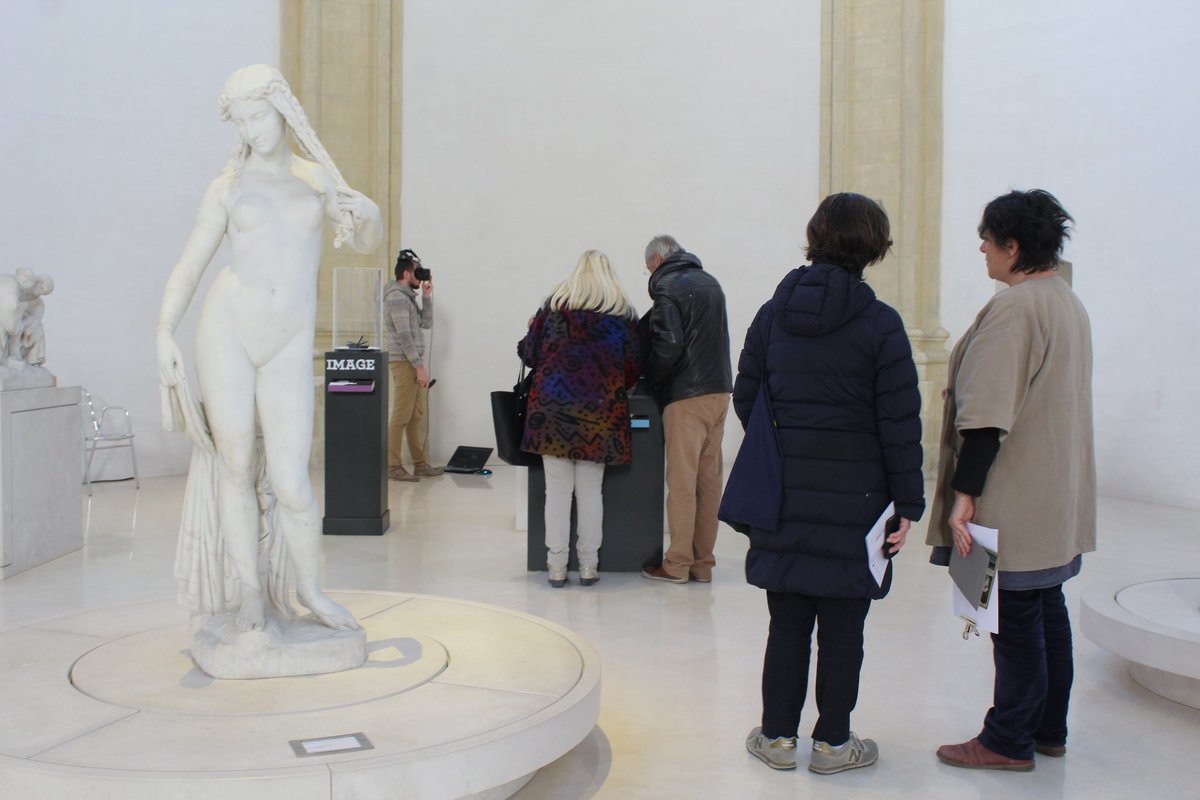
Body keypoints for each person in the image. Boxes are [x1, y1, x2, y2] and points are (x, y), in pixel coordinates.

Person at [157, 64, 382, 637]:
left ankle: (309, 590)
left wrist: (371, 214)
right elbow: (191, 263)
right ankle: (251, 594)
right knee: (236, 466)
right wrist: (164, 331)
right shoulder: (227, 187)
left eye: (259, 115)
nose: (254, 130)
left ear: (282, 109)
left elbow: (364, 240)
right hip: (226, 330)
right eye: (242, 120)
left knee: (291, 480)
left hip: (287, 342)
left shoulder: (316, 179)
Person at [733, 193, 924, 774]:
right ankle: (835, 746)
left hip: (783, 496)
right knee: (844, 628)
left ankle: (778, 739)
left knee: (786, 622)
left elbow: (747, 396)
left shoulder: (772, 315)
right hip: (858, 503)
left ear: (815, 236)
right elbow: (899, 424)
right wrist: (908, 502)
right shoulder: (881, 325)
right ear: (873, 246)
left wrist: (784, 445)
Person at [929, 189, 1095, 771]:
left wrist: (964, 495)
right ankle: (1048, 729)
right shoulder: (1064, 300)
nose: (981, 247)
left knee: (1016, 623)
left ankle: (1007, 740)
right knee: (1046, 609)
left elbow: (987, 417)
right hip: (1053, 497)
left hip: (1015, 495)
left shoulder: (1017, 308)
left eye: (988, 238)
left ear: (1013, 246)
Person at [517, 250, 641, 587]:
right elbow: (632, 369)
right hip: (599, 418)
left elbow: (530, 354)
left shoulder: (553, 309)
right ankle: (589, 566)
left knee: (556, 493)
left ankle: (556, 566)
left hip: (553, 416)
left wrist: (530, 330)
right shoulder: (622, 316)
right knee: (590, 493)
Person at [639, 235, 732, 584]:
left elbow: (668, 345)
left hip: (687, 396)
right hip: (720, 392)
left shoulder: (667, 286)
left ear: (659, 259)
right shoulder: (711, 282)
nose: (648, 273)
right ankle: (702, 564)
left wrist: (652, 380)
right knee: (708, 483)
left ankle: (676, 565)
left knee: (681, 482)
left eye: (648, 267)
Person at [384, 248, 441, 482]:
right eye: (418, 271)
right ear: (407, 273)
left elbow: (425, 324)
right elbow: (404, 336)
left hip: (411, 362)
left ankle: (420, 464)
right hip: (404, 362)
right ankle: (393, 466)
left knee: (415, 415)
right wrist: (419, 367)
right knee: (401, 415)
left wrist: (426, 297)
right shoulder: (396, 298)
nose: (422, 275)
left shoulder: (408, 297)